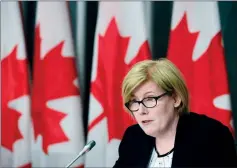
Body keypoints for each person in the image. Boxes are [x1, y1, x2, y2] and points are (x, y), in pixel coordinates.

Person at [113, 58, 237, 167]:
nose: (141, 110)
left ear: (176, 98)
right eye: (134, 101)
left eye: (150, 99)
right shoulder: (133, 138)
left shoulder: (210, 136)